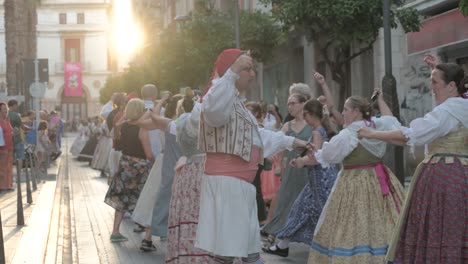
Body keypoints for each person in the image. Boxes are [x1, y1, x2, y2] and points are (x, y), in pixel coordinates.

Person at [194, 49, 307, 264]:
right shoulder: (219, 96)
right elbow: (213, 111)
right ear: (232, 72)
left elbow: (256, 137)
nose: (252, 74)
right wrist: (232, 71)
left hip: (238, 185)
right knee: (231, 253)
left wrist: (293, 142)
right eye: (247, 69)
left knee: (244, 251)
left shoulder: (236, 102)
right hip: (228, 184)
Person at [358, 60, 468, 264]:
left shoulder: (447, 111)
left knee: (440, 226)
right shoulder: (464, 105)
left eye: (435, 82)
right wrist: (445, 71)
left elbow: (409, 136)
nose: (431, 87)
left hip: (444, 176)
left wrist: (373, 134)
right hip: (463, 174)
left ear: (451, 86)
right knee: (458, 227)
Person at [299, 93, 404, 263]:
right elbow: (391, 120)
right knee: (381, 220)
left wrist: (304, 159)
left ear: (356, 111)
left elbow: (329, 155)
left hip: (354, 181)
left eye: (346, 109)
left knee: (353, 223)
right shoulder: (379, 124)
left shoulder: (349, 134)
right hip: (380, 179)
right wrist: (381, 100)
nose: (343, 112)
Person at [263, 99, 338, 257]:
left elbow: (316, 157)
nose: (304, 119)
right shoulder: (322, 128)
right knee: (301, 209)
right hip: (319, 179)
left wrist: (299, 162)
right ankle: (283, 244)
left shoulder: (317, 131)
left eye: (305, 115)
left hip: (319, 180)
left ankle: (328, 246)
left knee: (312, 211)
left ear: (310, 115)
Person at [165, 96, 214, 263]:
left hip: (187, 174)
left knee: (188, 212)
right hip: (204, 171)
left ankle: (188, 255)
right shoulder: (199, 122)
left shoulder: (177, 123)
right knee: (203, 213)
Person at [104, 99, 154, 246]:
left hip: (125, 163)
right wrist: (155, 160)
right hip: (140, 165)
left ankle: (115, 232)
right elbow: (148, 153)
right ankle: (147, 235)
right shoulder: (142, 128)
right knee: (145, 198)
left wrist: (124, 119)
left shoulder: (123, 126)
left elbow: (117, 132)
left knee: (121, 198)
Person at [262, 94, 312, 241]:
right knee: (284, 199)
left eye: (293, 103)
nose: (290, 107)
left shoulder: (311, 123)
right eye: (288, 104)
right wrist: (276, 163)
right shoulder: (287, 125)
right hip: (291, 166)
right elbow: (278, 143)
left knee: (309, 201)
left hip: (309, 167)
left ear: (303, 104)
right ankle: (275, 233)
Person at [8, 100, 31, 188]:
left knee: (9, 158)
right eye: (16, 106)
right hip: (17, 139)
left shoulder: (5, 115)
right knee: (20, 157)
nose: (17, 107)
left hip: (8, 140)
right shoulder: (15, 115)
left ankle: (9, 177)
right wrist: (30, 128)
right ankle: (18, 176)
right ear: (13, 106)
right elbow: (22, 127)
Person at [0, 101, 14, 191]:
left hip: (10, 147)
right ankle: (2, 185)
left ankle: (9, 185)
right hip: (2, 148)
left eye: (7, 109)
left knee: (9, 166)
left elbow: (10, 132)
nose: (6, 110)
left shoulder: (7, 120)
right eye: (4, 109)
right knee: (2, 167)